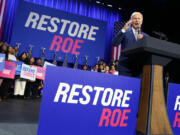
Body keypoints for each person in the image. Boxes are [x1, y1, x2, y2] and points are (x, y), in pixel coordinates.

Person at [112, 12, 148, 76]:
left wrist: (143, 41)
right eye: (135, 18)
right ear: (131, 21)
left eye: (139, 19)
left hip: (139, 70)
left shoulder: (146, 36)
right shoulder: (125, 32)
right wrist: (123, 30)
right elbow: (114, 43)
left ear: (141, 22)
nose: (137, 20)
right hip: (125, 68)